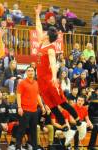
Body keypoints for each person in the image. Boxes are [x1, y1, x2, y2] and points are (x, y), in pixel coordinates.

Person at [35, 4, 86, 145]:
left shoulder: (50, 49)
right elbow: (38, 28)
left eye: (45, 33)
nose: (42, 33)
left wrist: (53, 77)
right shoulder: (42, 43)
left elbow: (53, 63)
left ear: (48, 36)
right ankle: (66, 128)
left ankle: (79, 123)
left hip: (49, 81)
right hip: (42, 83)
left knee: (62, 103)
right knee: (52, 107)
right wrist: (37, 14)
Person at [16, 66, 45, 150]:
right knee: (22, 129)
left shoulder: (36, 83)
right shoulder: (22, 83)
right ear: (26, 72)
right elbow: (18, 95)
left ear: (34, 72)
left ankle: (35, 147)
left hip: (34, 111)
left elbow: (37, 95)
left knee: (34, 130)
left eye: (32, 71)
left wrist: (42, 106)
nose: (30, 72)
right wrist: (19, 107)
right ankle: (18, 147)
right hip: (24, 110)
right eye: (28, 71)